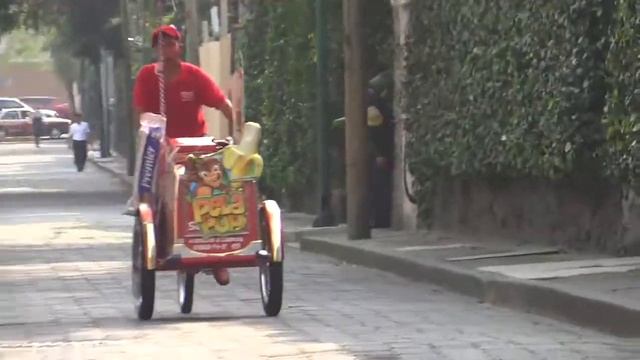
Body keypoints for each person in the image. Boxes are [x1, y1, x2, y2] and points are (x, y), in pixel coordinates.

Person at [132, 25, 235, 286]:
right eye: (159, 45)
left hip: (196, 148)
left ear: (179, 46)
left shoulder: (194, 76)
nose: (164, 49)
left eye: (169, 43)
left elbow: (224, 105)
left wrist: (234, 135)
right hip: (161, 148)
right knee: (167, 193)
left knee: (215, 188)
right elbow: (142, 114)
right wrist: (157, 139)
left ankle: (217, 255)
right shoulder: (147, 76)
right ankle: (164, 238)